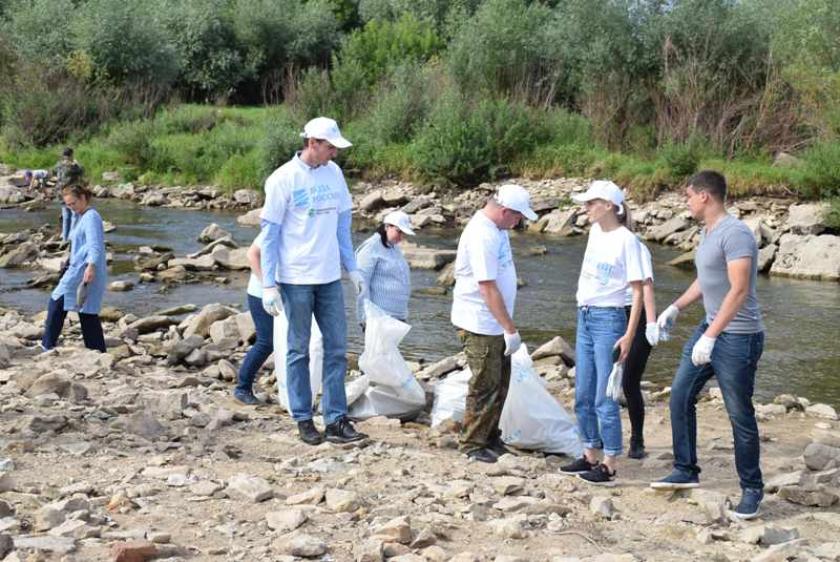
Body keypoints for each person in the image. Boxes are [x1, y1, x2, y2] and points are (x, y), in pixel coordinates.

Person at [650, 170, 766, 520]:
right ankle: (685, 469)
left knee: (739, 414)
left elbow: (739, 290)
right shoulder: (707, 232)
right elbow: (707, 280)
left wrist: (711, 335)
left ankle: (752, 489)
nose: (686, 202)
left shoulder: (736, 234)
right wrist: (675, 307)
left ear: (705, 196)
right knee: (680, 394)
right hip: (711, 327)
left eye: (688, 196)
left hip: (739, 337)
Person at [259, 116, 368, 446]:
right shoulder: (282, 179)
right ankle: (303, 418)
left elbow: (342, 226)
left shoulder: (335, 174)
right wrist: (268, 284)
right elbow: (269, 235)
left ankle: (335, 420)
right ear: (312, 143)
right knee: (298, 350)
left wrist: (352, 268)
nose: (335, 153)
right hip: (296, 278)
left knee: (337, 348)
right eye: (330, 147)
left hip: (329, 276)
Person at [560, 180, 644, 484]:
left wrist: (629, 335)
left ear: (609, 205)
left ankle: (609, 463)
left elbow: (638, 291)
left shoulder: (627, 241)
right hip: (585, 315)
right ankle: (589, 454)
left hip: (609, 320)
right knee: (582, 393)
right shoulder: (595, 232)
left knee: (604, 396)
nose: (585, 208)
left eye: (591, 203)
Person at [451, 183, 537, 463]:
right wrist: (510, 329)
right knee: (484, 385)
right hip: (480, 323)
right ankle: (471, 443)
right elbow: (487, 286)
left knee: (501, 383)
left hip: (494, 323)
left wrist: (507, 326)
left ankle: (490, 437)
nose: (519, 222)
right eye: (517, 216)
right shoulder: (482, 235)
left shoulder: (498, 230)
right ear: (504, 211)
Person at [41, 184, 107, 353]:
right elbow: (75, 240)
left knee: (60, 302)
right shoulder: (80, 216)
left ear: (83, 198)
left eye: (73, 203)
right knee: (85, 310)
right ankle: (96, 350)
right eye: (68, 205)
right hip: (77, 268)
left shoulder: (91, 217)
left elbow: (95, 245)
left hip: (85, 269)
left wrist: (91, 267)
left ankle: (47, 345)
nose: (71, 207)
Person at [621, 218, 660, 460]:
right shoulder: (601, 244)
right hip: (611, 315)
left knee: (629, 381)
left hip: (638, 316)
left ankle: (637, 440)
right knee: (605, 379)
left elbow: (646, 286)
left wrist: (652, 323)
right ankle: (604, 436)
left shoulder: (637, 247)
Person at [355, 210, 415, 328]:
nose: (401, 237)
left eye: (404, 233)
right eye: (399, 232)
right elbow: (361, 283)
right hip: (379, 317)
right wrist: (364, 317)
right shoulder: (370, 248)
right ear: (387, 226)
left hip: (398, 316)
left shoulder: (394, 247)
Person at [54, 147, 84, 240]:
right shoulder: (72, 166)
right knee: (74, 214)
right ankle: (72, 237)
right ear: (71, 155)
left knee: (66, 215)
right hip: (70, 192)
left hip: (60, 192)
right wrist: (77, 164)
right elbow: (81, 172)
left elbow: (54, 172)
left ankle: (65, 238)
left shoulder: (58, 165)